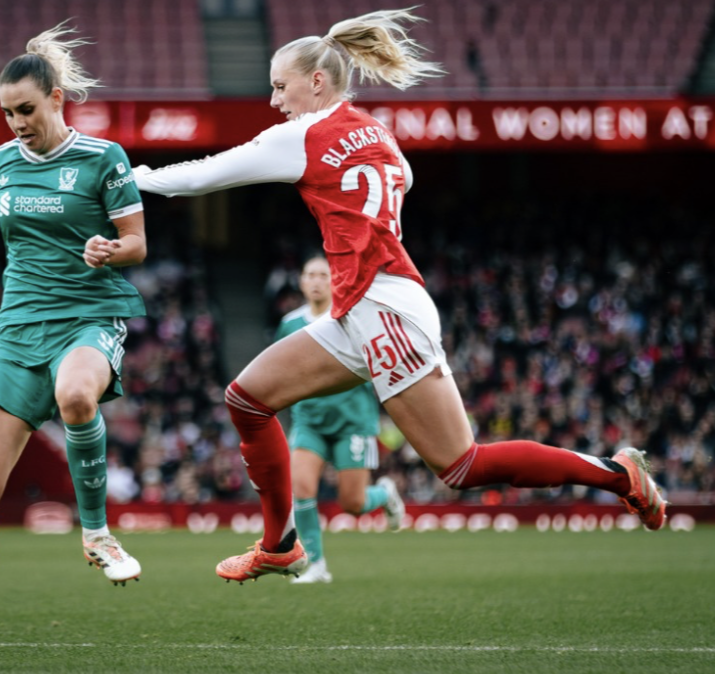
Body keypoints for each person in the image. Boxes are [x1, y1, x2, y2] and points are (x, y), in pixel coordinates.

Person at [134, 8, 666, 583]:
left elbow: (202, 174)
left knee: (462, 465)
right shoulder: (376, 131)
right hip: (366, 306)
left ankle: (617, 474)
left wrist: (123, 177)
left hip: (382, 310)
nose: (273, 99)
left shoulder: (301, 135)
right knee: (247, 398)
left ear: (316, 81)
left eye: (279, 85)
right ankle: (280, 543)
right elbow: (404, 179)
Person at [0, 22, 147, 670]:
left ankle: (95, 533)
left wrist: (109, 249)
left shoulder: (105, 158)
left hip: (91, 313)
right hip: (18, 328)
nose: (15, 123)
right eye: (7, 112)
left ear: (57, 98)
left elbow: (138, 243)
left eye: (27, 110)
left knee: (75, 396)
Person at [276, 255, 404, 584]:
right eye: (310, 275)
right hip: (309, 422)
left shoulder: (352, 317)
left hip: (353, 422)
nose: (317, 280)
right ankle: (315, 565)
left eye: (323, 274)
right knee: (301, 488)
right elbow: (280, 372)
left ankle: (385, 494)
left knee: (353, 503)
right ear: (302, 282)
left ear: (334, 281)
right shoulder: (289, 325)